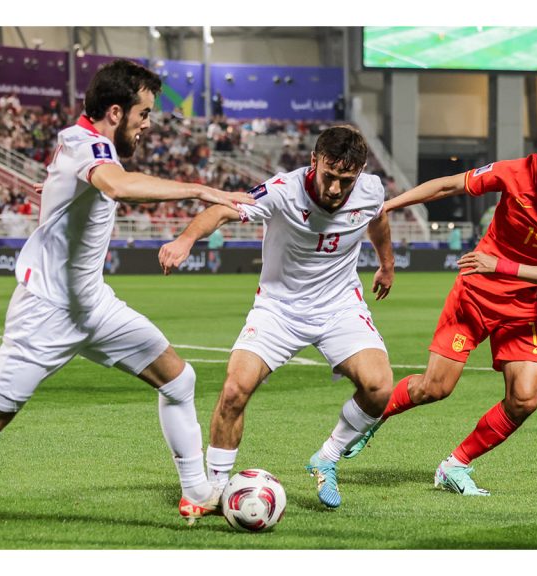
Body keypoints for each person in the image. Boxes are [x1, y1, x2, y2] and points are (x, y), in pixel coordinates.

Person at [0, 59, 254, 539]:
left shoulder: (84, 140)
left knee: (178, 378)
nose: (148, 125)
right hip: (47, 311)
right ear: (115, 111)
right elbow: (118, 185)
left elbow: (84, 184)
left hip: (92, 305)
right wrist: (201, 189)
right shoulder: (90, 146)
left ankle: (196, 492)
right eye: (143, 114)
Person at [344, 105, 537, 496]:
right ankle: (375, 414)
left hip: (523, 306)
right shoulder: (516, 171)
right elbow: (448, 185)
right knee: (434, 388)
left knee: (525, 398)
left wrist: (499, 265)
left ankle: (455, 466)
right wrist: (388, 206)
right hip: (475, 294)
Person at [159, 125, 395, 509]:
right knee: (235, 389)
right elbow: (224, 210)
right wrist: (186, 239)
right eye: (330, 177)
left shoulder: (370, 190)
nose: (336, 189)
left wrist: (387, 264)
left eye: (346, 180)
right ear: (313, 162)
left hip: (339, 307)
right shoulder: (282, 190)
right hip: (279, 309)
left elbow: (378, 219)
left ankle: (328, 457)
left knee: (380, 388)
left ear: (361, 172)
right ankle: (214, 489)